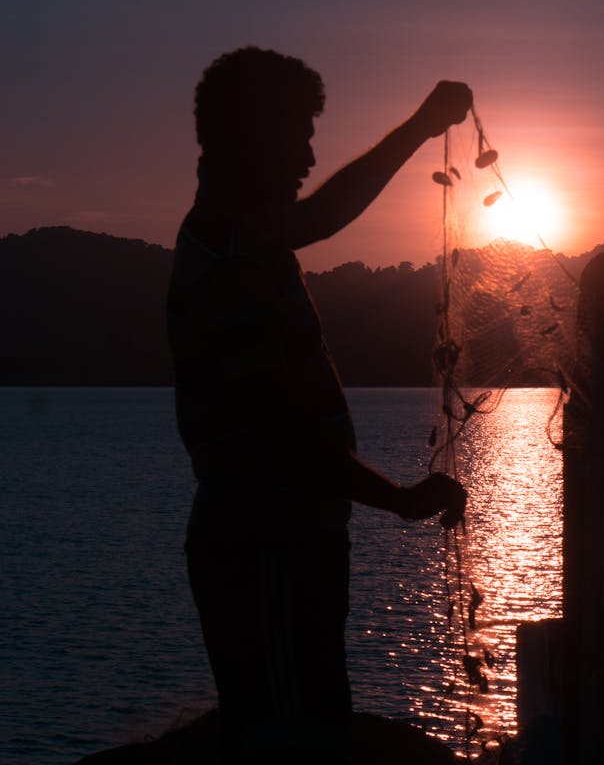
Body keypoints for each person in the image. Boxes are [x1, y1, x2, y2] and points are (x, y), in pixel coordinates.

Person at [167, 46, 471, 763]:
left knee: (308, 726)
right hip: (265, 541)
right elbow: (280, 431)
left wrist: (423, 125)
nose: (309, 153)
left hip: (285, 538)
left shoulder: (242, 233)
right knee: (289, 740)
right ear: (250, 135)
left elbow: (325, 214)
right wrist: (397, 500)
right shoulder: (231, 255)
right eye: (298, 132)